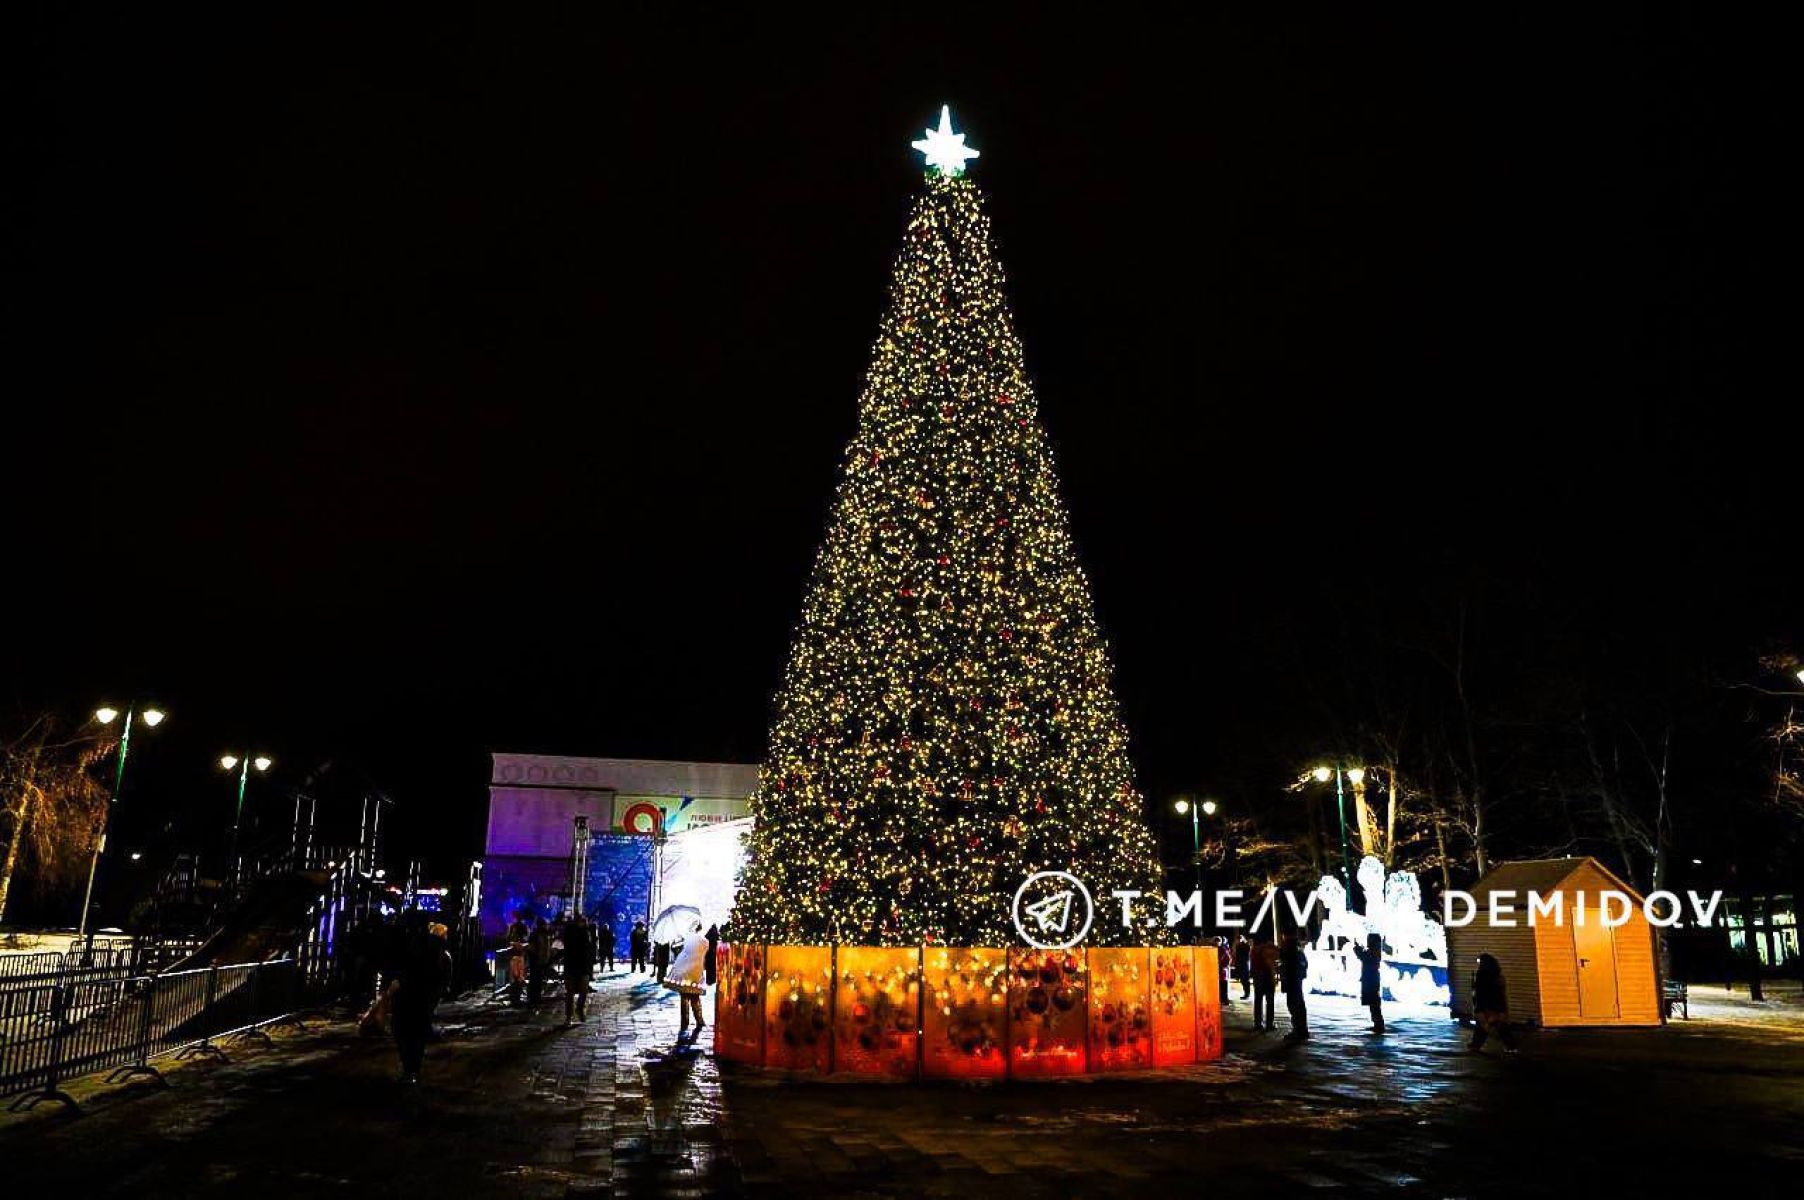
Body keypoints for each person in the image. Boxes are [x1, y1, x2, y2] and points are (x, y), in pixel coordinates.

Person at [390, 914, 450, 1083]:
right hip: (422, 994)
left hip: (408, 992)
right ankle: (412, 1068)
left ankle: (409, 1067)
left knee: (403, 1030)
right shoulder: (434, 947)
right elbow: (440, 972)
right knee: (416, 1032)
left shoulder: (406, 944)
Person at [664, 920, 709, 1041]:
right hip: (696, 970)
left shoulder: (687, 938)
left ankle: (685, 1023)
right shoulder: (704, 941)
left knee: (684, 997)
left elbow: (676, 948)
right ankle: (699, 1020)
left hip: (684, 969)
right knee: (695, 996)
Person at [1468, 953, 1518, 1053]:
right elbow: (1501, 991)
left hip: (1486, 1004)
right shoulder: (1497, 974)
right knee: (1501, 1026)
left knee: (1483, 1026)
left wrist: (1478, 1007)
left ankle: (1476, 1045)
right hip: (1497, 1004)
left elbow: (1480, 992)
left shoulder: (1481, 975)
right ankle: (1511, 1046)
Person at [562, 911, 596, 1024]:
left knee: (584, 990)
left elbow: (589, 948)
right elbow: (567, 943)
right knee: (570, 992)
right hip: (571, 966)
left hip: (583, 966)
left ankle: (579, 1009)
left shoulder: (586, 932)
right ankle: (569, 1016)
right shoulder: (570, 931)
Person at [1279, 930, 1309, 1042]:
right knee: (1297, 1006)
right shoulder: (1297, 951)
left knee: (1294, 1006)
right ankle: (1301, 1030)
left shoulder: (1292, 952)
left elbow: (1288, 965)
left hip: (1293, 982)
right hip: (1295, 982)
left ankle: (1298, 1031)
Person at [1354, 932, 1385, 1034]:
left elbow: (1365, 958)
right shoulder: (1374, 952)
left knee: (1374, 1004)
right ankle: (1377, 1024)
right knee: (1373, 1004)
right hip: (1371, 980)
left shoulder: (1373, 953)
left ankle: (1378, 1025)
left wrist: (1358, 950)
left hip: (1371, 981)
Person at [1250, 932, 1279, 1032]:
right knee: (1270, 1001)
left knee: (1258, 1001)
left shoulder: (1254, 950)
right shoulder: (1269, 949)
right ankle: (1269, 1024)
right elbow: (1277, 955)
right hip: (1267, 977)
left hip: (1258, 978)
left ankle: (1258, 1023)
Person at [526, 917, 554, 1006]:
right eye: (545, 925)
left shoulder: (544, 935)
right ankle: (532, 998)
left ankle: (536, 997)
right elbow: (532, 948)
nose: (547, 926)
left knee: (538, 980)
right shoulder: (536, 935)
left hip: (541, 960)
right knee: (535, 980)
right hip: (536, 961)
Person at [504, 911, 530, 1006]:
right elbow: (527, 940)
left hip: (514, 956)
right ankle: (516, 998)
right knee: (518, 978)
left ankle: (514, 998)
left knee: (514, 978)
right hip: (520, 956)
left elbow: (508, 939)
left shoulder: (512, 927)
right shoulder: (523, 928)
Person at [1233, 934, 1252, 1000]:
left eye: (1239, 939)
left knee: (1245, 980)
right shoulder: (1238, 946)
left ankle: (1247, 994)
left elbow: (1247, 956)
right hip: (1241, 964)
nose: (1238, 940)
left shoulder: (1246, 946)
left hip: (1244, 964)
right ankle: (1246, 993)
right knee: (1243, 980)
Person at [704, 924, 721, 988]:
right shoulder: (715, 932)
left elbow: (706, 938)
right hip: (713, 952)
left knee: (709, 967)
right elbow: (717, 938)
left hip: (709, 952)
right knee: (713, 967)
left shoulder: (708, 933)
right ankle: (712, 980)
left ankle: (709, 981)